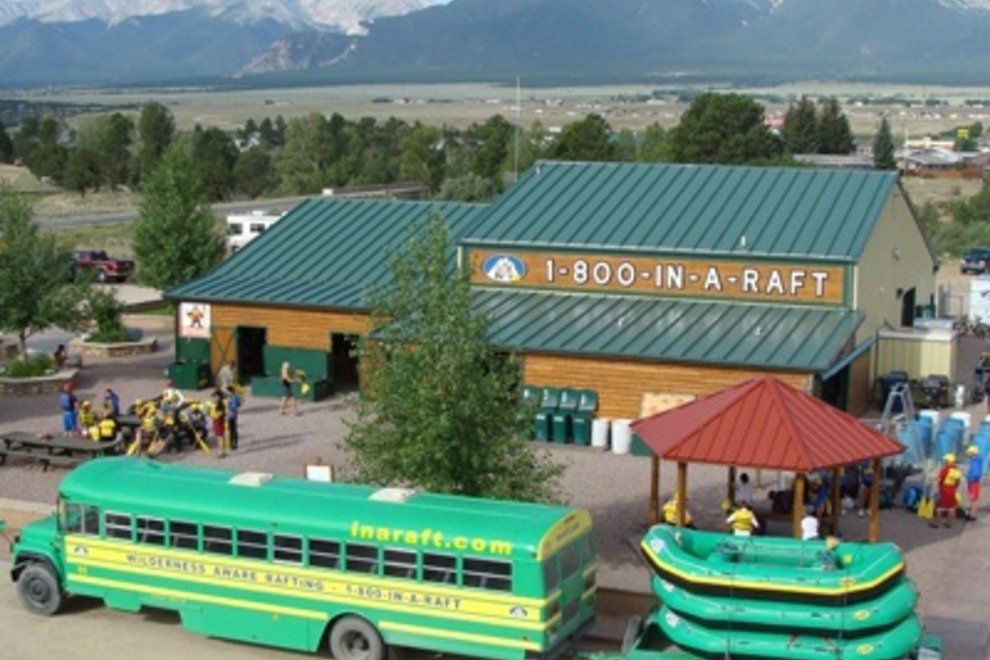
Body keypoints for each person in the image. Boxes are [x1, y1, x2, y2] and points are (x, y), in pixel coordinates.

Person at [932, 453, 964, 529]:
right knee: (951, 507)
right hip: (952, 490)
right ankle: (950, 523)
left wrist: (934, 481)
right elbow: (958, 481)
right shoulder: (956, 470)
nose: (945, 461)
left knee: (939, 507)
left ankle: (937, 524)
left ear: (948, 461)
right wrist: (954, 488)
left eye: (946, 460)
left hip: (944, 490)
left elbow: (939, 479)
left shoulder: (944, 470)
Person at [966, 445, 984, 521]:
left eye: (969, 453)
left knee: (972, 499)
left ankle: (972, 515)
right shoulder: (979, 460)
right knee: (975, 499)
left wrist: (968, 477)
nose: (968, 455)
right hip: (976, 482)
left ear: (972, 453)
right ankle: (973, 514)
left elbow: (975, 473)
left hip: (973, 483)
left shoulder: (974, 462)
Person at [209, 390, 226, 458]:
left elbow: (217, 415)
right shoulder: (219, 404)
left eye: (216, 397)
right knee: (220, 437)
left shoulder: (220, 405)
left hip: (218, 422)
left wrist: (211, 414)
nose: (214, 398)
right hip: (218, 422)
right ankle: (222, 451)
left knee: (219, 437)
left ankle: (221, 452)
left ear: (219, 397)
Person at [226, 385, 240, 451]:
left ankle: (233, 444)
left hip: (232, 415)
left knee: (233, 430)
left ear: (230, 391)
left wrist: (228, 405)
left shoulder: (233, 397)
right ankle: (232, 443)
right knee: (231, 429)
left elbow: (234, 407)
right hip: (230, 415)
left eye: (227, 391)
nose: (227, 392)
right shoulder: (231, 397)